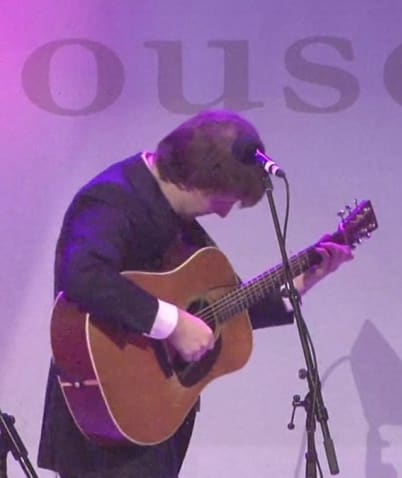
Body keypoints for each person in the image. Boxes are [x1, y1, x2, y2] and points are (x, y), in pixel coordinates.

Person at [37, 110, 353, 478]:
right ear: (197, 181)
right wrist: (172, 324)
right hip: (105, 412)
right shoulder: (112, 198)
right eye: (224, 201)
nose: (221, 215)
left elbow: (222, 309)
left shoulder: (179, 220)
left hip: (155, 416)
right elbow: (84, 276)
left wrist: (299, 285)